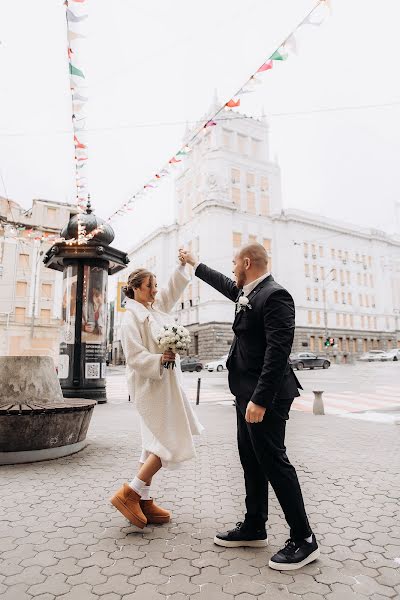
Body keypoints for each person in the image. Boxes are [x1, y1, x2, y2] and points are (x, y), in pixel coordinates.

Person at [179, 244, 319, 571]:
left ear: (246, 262)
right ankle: (255, 525)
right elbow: (227, 286)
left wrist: (259, 399)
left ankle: (304, 538)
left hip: (264, 397)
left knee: (274, 463)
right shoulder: (248, 291)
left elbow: (278, 352)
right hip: (246, 394)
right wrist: (193, 263)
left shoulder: (276, 296)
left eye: (233, 264)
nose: (232, 271)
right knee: (251, 461)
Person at [110, 257, 203, 529]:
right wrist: (160, 360)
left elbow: (173, 290)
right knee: (168, 438)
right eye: (150, 286)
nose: (155, 290)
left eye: (155, 285)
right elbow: (135, 357)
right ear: (136, 288)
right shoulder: (131, 318)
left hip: (167, 384)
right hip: (150, 386)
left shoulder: (155, 308)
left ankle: (144, 500)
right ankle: (130, 493)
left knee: (152, 442)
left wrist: (184, 266)